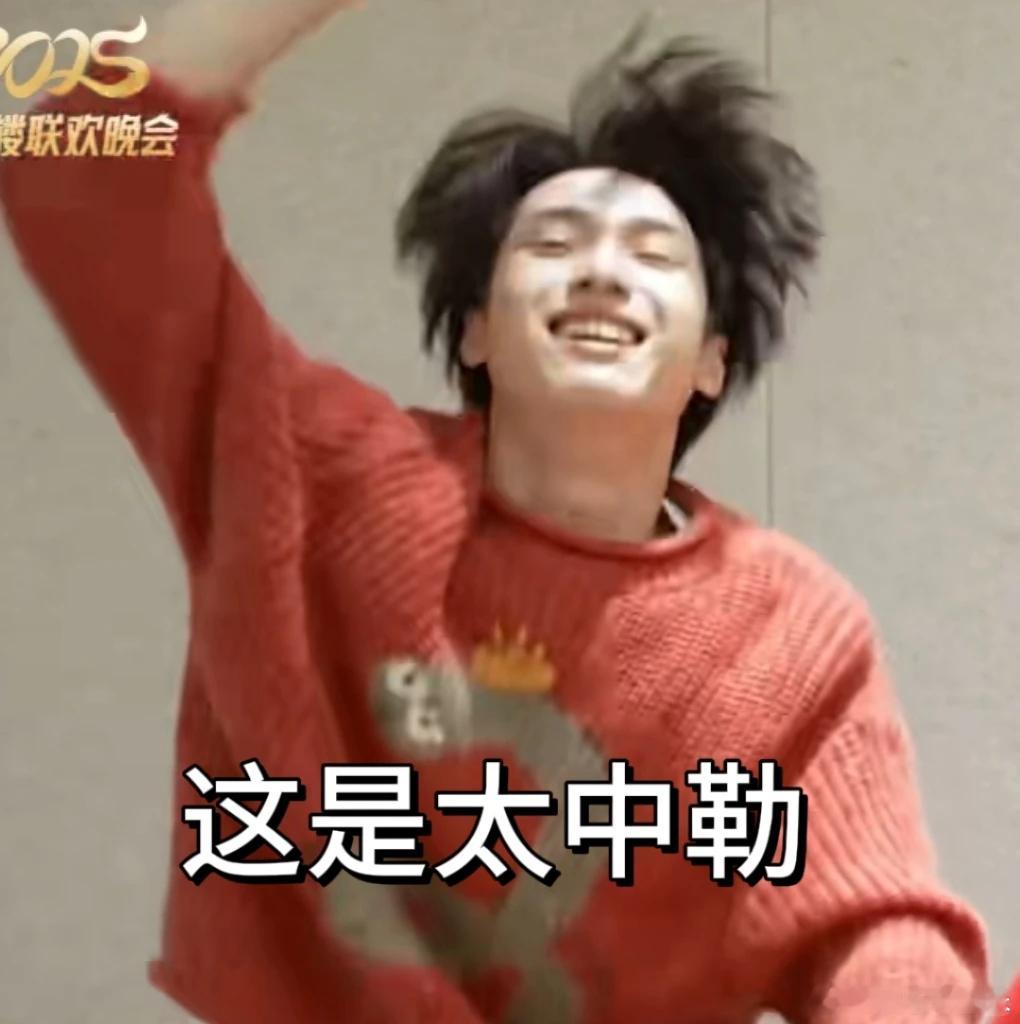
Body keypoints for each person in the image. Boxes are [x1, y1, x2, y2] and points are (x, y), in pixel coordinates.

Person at [1, 2, 994, 1022]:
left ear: (711, 360)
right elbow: (77, 174)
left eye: (655, 256)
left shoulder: (794, 627)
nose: (602, 270)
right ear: (475, 332)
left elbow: (881, 924)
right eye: (555, 242)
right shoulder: (324, 480)